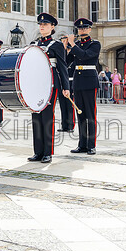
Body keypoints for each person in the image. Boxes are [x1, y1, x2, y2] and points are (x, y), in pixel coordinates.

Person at [30, 13, 70, 164]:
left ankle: (48, 152)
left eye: (45, 25)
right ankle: (38, 151)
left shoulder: (57, 45)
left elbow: (62, 67)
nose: (42, 26)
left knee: (47, 117)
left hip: (50, 83)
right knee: (36, 117)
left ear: (52, 27)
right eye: (40, 24)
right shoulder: (34, 44)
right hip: (35, 84)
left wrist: (66, 87)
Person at [67, 18, 100, 154]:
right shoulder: (77, 44)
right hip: (78, 81)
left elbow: (85, 56)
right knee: (80, 114)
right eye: (80, 28)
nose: (82, 30)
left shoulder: (94, 44)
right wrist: (65, 47)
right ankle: (82, 144)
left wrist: (72, 45)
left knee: (90, 114)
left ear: (90, 29)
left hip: (89, 80)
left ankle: (91, 145)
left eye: (85, 28)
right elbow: (68, 61)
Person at [57, 35, 76, 133]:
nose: (67, 50)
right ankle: (64, 125)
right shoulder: (64, 57)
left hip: (71, 82)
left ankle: (70, 125)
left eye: (68, 49)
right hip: (63, 82)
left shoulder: (73, 58)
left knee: (69, 105)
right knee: (62, 105)